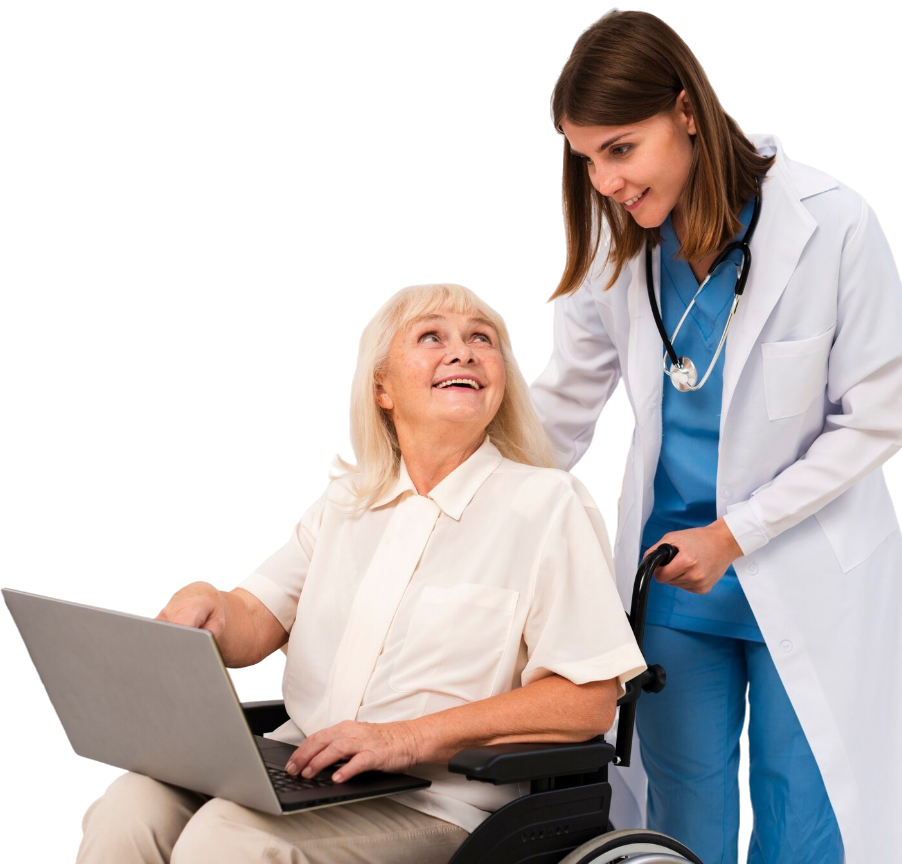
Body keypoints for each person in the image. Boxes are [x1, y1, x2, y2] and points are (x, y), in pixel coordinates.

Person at [530, 10, 902, 864]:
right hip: (674, 580)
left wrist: (736, 533)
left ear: (687, 111)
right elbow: (561, 411)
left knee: (803, 823)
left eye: (621, 149)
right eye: (586, 159)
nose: (605, 181)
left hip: (804, 565)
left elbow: (877, 416)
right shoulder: (618, 250)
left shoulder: (832, 222)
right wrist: (455, 497)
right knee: (678, 826)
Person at [76, 282, 649, 864]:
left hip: (440, 803)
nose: (463, 351)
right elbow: (255, 618)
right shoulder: (346, 502)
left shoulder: (549, 504)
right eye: (432, 337)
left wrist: (403, 739)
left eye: (482, 339)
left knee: (229, 841)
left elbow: (588, 701)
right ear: (382, 388)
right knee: (128, 808)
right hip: (306, 771)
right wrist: (213, 607)